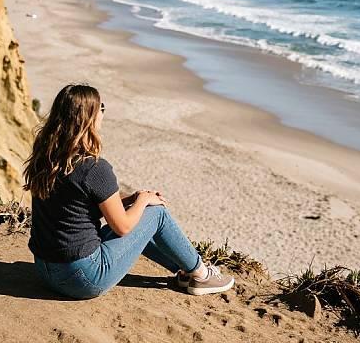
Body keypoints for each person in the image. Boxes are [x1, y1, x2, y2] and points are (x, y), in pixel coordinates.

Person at [23, 84, 235, 300]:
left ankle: (184, 271)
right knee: (157, 215)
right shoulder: (94, 168)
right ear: (89, 118)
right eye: (101, 108)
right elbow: (123, 227)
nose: (103, 113)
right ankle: (201, 275)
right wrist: (142, 202)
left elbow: (79, 205)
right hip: (83, 279)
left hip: (45, 271)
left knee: (140, 215)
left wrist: (131, 199)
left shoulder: (48, 158)